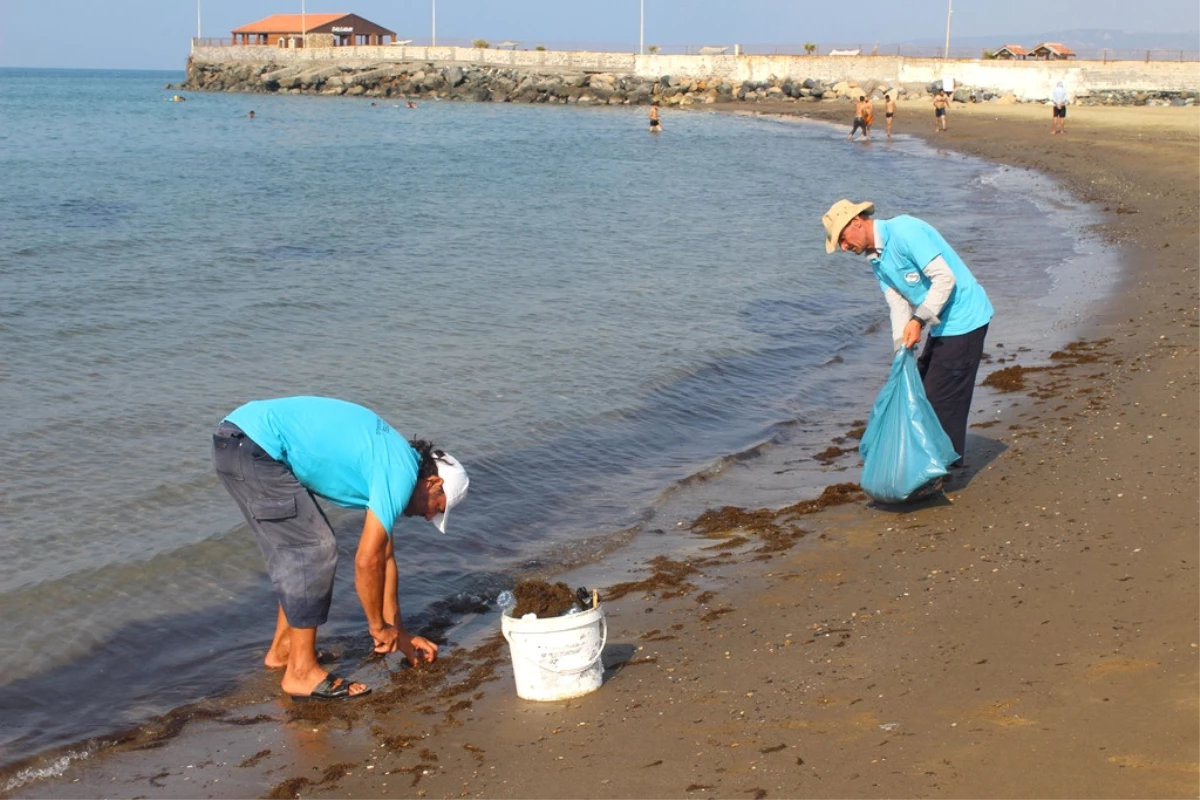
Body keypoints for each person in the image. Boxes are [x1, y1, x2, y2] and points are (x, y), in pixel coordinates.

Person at [212, 396, 469, 700]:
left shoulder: (394, 461)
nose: (429, 517)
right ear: (433, 483)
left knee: (301, 551)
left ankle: (285, 650)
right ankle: (301, 672)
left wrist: (397, 634)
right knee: (313, 550)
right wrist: (377, 628)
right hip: (254, 446)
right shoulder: (399, 472)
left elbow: (384, 556)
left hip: (242, 440)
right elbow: (366, 561)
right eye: (436, 509)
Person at [822, 200, 993, 468]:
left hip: (965, 318)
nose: (844, 247)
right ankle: (928, 469)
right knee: (922, 394)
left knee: (941, 401)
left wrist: (919, 320)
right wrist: (900, 352)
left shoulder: (905, 232)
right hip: (941, 323)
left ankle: (938, 472)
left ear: (856, 222)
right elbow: (898, 303)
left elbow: (945, 279)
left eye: (842, 239)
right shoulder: (876, 258)